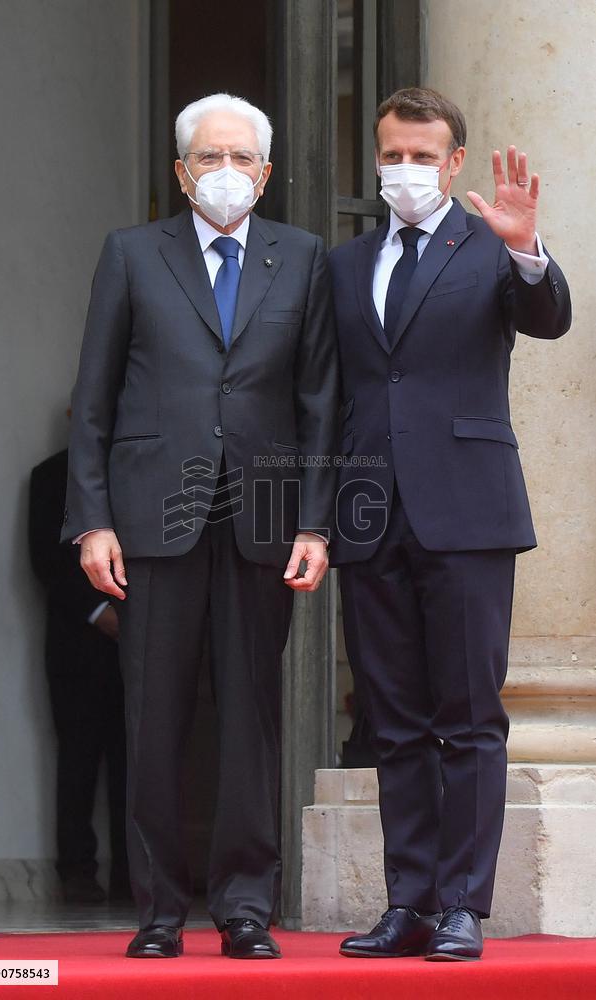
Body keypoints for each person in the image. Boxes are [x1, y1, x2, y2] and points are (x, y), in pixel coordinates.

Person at [61, 93, 338, 959]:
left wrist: (317, 524)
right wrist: (92, 520)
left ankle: (247, 906)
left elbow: (321, 402)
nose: (226, 174)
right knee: (154, 712)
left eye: (241, 159)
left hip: (261, 517)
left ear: (265, 171)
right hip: (154, 517)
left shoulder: (302, 258)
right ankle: (158, 910)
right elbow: (93, 398)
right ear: (182, 172)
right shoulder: (132, 254)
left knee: (251, 715)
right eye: (207, 159)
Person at [329, 88, 571, 962]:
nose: (406, 170)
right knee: (392, 720)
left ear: (453, 161)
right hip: (369, 514)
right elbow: (338, 392)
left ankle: (465, 905)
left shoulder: (490, 246)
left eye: (423, 156)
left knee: (468, 717)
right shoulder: (346, 264)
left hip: (466, 511)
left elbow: (548, 320)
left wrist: (530, 253)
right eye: (393, 154)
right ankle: (410, 903)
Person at [29, 445, 130, 904]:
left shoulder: (135, 470)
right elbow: (46, 559)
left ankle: (135, 876)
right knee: (78, 760)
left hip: (136, 641)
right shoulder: (50, 475)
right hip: (77, 647)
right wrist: (97, 613)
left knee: (137, 762)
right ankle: (76, 873)